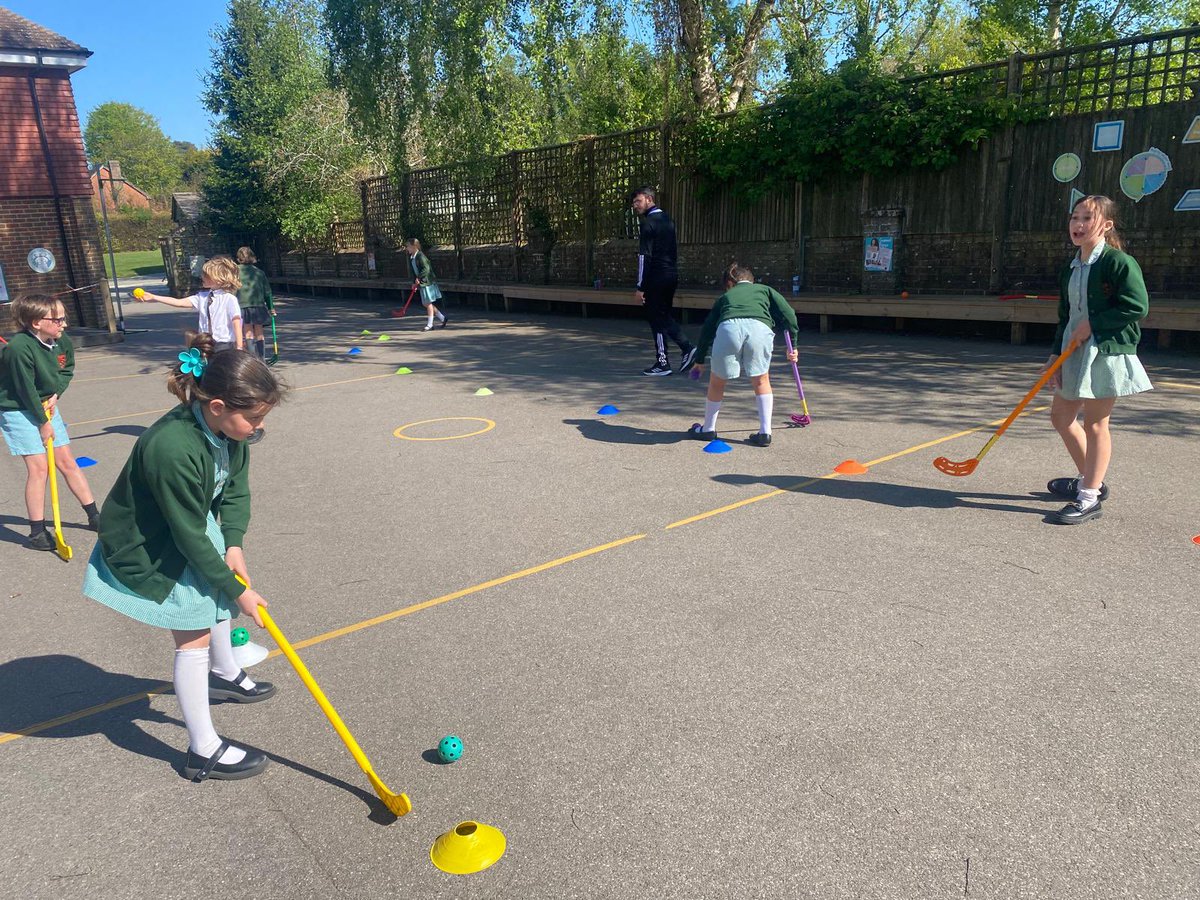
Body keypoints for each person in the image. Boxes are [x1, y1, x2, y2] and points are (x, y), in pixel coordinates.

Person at [83, 335, 286, 780]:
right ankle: (202, 750)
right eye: (253, 418)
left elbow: (235, 490)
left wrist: (233, 544)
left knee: (216, 595)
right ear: (217, 406)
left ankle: (225, 672)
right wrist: (238, 590)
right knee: (193, 636)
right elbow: (188, 535)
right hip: (151, 542)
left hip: (187, 524)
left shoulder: (231, 431)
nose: (258, 427)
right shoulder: (172, 447)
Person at [1044, 194, 1151, 524]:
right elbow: (1065, 316)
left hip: (1106, 352)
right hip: (1073, 352)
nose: (1078, 224)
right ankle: (1091, 479)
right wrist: (1055, 355)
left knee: (1095, 424)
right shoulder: (1071, 267)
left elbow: (1137, 306)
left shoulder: (1118, 263)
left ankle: (1089, 498)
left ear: (1106, 225)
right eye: (1074, 217)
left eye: (1087, 218)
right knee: (1061, 417)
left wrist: (1095, 324)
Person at [0, 295, 100, 550]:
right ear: (36, 323)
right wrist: (44, 423)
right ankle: (37, 532)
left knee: (66, 462)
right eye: (58, 320)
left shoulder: (60, 340)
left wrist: (56, 393)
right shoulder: (18, 349)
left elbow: (66, 369)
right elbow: (25, 389)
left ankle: (94, 516)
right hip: (18, 409)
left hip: (45, 403)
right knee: (39, 468)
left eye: (64, 318)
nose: (64, 324)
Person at [687, 263, 799, 448]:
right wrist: (792, 346)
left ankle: (708, 429)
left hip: (729, 328)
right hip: (759, 328)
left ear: (730, 283)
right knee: (761, 380)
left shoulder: (725, 297)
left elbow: (708, 329)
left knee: (717, 381)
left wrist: (699, 360)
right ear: (751, 281)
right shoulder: (765, 290)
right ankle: (765, 433)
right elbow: (789, 315)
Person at [629, 186, 696, 376]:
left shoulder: (648, 224)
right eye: (634, 202)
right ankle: (687, 349)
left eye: (638, 201)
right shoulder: (668, 220)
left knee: (656, 317)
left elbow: (644, 257)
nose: (635, 205)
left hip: (656, 277)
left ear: (649, 199)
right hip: (671, 275)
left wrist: (640, 287)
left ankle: (663, 362)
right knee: (664, 315)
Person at [137, 256, 244, 352]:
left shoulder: (229, 299)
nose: (202, 277)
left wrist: (239, 347)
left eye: (206, 275)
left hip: (224, 345)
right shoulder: (202, 297)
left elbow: (236, 322)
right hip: (205, 342)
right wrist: (154, 297)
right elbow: (179, 302)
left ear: (218, 279)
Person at [235, 247, 275, 361]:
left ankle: (252, 358)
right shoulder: (259, 272)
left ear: (238, 258)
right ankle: (262, 357)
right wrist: (271, 307)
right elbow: (267, 292)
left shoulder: (235, 272)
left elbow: (232, 290)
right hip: (258, 305)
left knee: (248, 332)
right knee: (259, 331)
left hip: (242, 305)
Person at [405, 238, 449, 331]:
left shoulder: (420, 256)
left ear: (414, 246)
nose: (407, 248)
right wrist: (414, 283)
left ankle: (430, 324)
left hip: (427, 282)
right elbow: (414, 272)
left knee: (427, 303)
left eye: (408, 246)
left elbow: (426, 269)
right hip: (422, 282)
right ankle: (442, 318)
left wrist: (419, 278)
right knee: (426, 303)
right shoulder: (412, 258)